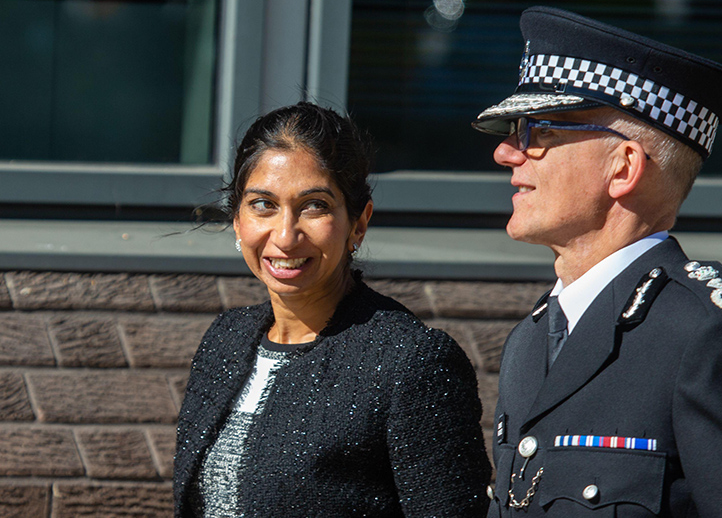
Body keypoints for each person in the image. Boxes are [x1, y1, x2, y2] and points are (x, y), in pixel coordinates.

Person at [472, 6, 722, 517]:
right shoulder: (533, 338)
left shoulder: (708, 341)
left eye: (539, 132)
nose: (507, 154)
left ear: (623, 167)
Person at [174, 102, 491, 517]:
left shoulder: (410, 362)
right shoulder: (225, 340)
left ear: (358, 223)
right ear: (237, 219)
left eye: (314, 206)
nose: (285, 237)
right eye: (263, 205)